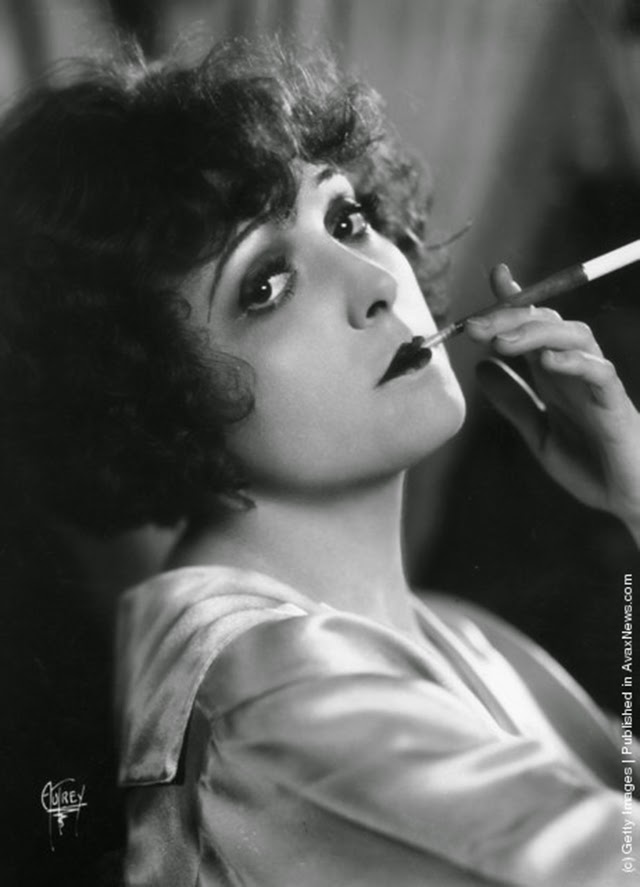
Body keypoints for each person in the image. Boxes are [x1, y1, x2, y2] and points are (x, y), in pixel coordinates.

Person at [1, 36, 638, 887]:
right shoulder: (269, 701)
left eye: (346, 220)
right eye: (265, 283)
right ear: (145, 387)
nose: (377, 278)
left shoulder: (463, 635)